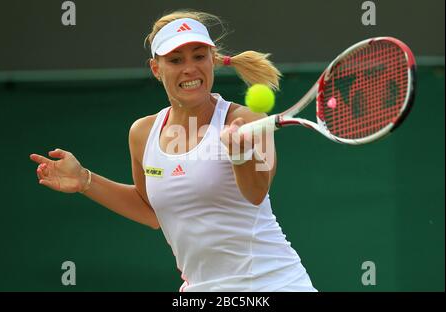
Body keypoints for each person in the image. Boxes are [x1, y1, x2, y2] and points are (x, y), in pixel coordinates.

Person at [30, 10, 316, 292]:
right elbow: (151, 211)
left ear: (213, 61)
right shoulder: (142, 133)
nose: (189, 68)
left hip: (275, 285)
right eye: (176, 60)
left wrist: (240, 155)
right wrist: (85, 181)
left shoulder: (247, 121)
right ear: (156, 69)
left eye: (199, 56)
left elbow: (256, 193)